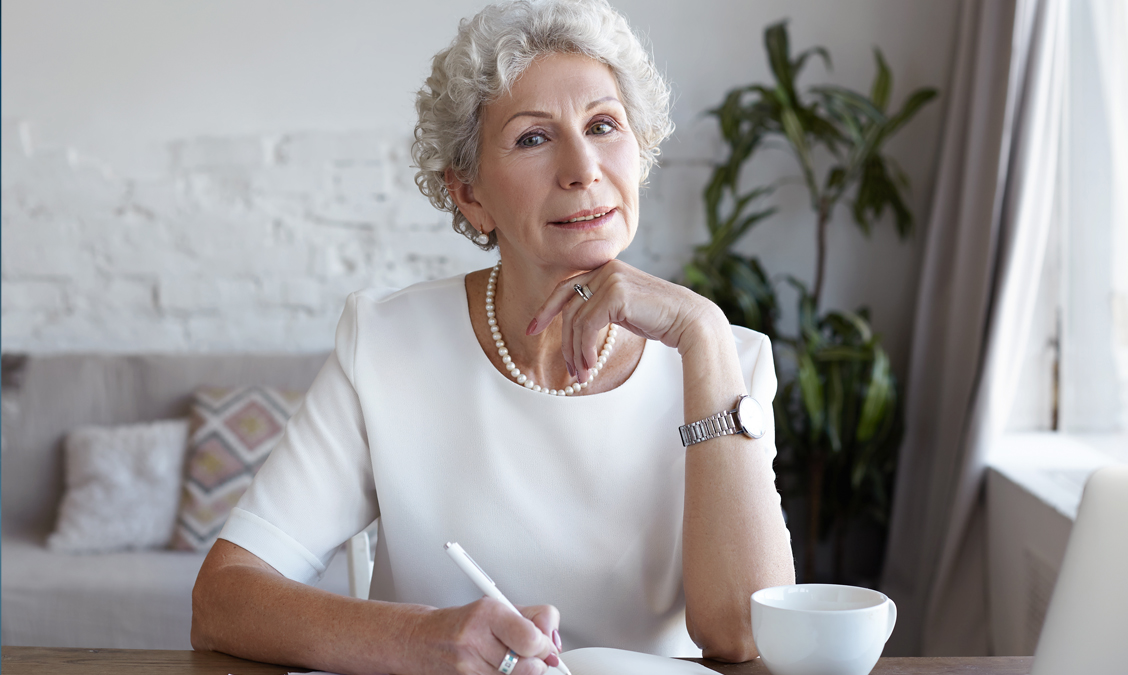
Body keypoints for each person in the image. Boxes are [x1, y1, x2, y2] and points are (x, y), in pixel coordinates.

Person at [190, 1, 794, 673]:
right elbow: (221, 599)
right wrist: (414, 639)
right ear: (469, 193)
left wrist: (702, 331)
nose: (583, 167)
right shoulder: (388, 346)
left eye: (603, 125)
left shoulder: (728, 359)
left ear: (641, 154)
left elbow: (745, 635)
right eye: (534, 138)